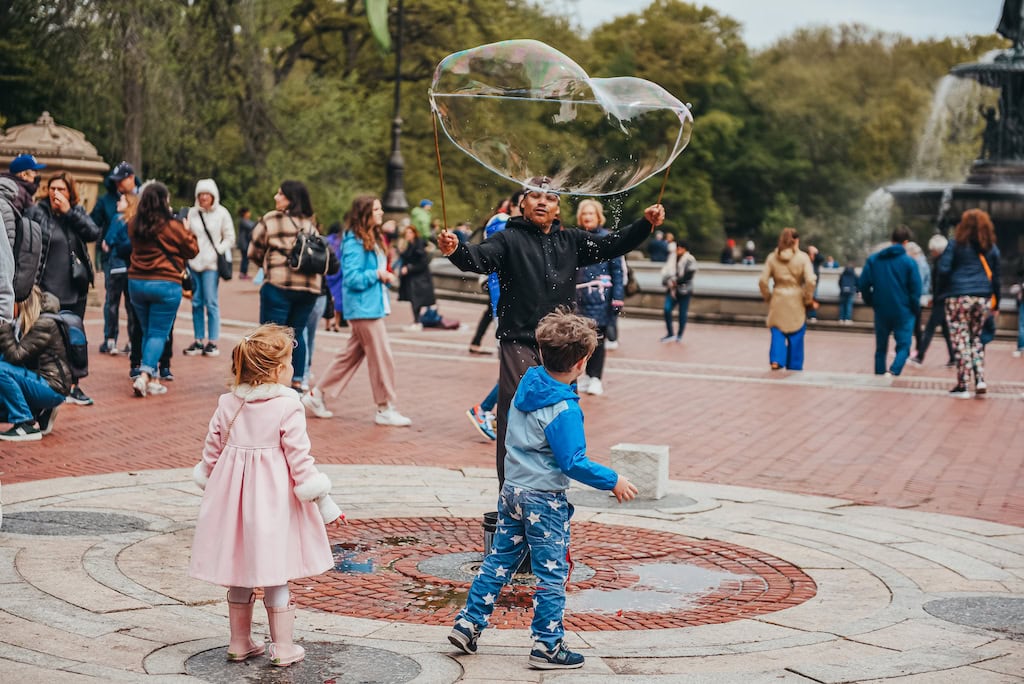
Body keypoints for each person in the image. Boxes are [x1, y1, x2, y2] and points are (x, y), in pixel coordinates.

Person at [438, 175, 664, 487]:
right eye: (535, 196)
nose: (542, 202)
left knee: (562, 416)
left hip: (560, 345)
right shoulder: (508, 239)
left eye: (550, 198)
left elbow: (611, 245)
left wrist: (645, 224)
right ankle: (511, 489)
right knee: (516, 414)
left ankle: (550, 487)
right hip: (520, 341)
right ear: (522, 204)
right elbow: (478, 258)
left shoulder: (570, 240)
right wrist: (455, 250)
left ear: (557, 208)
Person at [447, 309, 638, 669]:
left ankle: (468, 624)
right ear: (582, 363)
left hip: (513, 491)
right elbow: (573, 461)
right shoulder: (563, 407)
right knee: (551, 573)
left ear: (542, 351)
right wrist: (613, 480)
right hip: (544, 500)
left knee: (499, 561)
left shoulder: (528, 382)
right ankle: (547, 645)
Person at [189, 323, 343, 668]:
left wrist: (211, 482)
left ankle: (239, 641)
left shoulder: (228, 402)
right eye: (288, 362)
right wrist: (323, 501)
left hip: (233, 500)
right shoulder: (288, 406)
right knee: (275, 570)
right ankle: (283, 647)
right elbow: (300, 460)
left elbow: (212, 450)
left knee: (240, 570)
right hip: (273, 502)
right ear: (276, 369)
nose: (291, 368)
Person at [301, 196, 411, 427]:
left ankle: (316, 396)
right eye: (377, 209)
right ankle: (384, 408)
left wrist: (382, 275)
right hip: (363, 310)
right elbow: (351, 279)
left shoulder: (371, 238)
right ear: (365, 213)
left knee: (349, 357)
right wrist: (378, 275)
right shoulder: (354, 241)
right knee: (382, 359)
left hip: (370, 307)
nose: (382, 213)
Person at [31, 172, 100, 406]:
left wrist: (69, 212)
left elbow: (93, 233)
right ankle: (49, 383)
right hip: (47, 287)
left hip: (75, 287)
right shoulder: (40, 211)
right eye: (52, 188)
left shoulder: (76, 212)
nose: (56, 193)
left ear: (70, 192)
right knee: (47, 338)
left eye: (61, 189)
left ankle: (74, 385)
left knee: (75, 338)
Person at [248, 180, 323, 390]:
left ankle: (266, 379)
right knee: (297, 334)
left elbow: (253, 251)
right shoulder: (310, 225)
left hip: (279, 284)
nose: (276, 197)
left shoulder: (271, 219)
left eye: (280, 194)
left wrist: (268, 265)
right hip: (309, 289)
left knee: (271, 334)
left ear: (290, 198)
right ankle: (297, 380)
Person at [127, 182, 199, 397]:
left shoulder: (133, 224)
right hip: (166, 283)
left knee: (149, 330)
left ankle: (153, 378)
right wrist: (186, 229)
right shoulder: (172, 226)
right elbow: (192, 250)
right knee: (159, 333)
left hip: (137, 282)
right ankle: (145, 375)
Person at [938, 209, 1000, 398]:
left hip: (958, 296)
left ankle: (963, 385)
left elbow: (943, 269)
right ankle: (980, 379)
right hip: (982, 297)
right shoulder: (991, 247)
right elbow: (996, 277)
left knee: (960, 340)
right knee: (976, 339)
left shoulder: (955, 245)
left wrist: (945, 289)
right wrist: (996, 303)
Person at [0, 287, 71, 441]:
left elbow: (16, 355)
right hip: (41, 380)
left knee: (0, 370)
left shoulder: (45, 323)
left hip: (53, 386)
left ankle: (24, 423)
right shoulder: (25, 321)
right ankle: (41, 411)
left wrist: (2, 325)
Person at [858, 225, 922, 377]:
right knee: (904, 346)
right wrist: (914, 308)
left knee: (880, 348)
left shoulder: (874, 260)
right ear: (905, 242)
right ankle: (894, 371)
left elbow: (863, 284)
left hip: (881, 308)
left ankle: (879, 374)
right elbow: (915, 289)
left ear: (891, 240)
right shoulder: (909, 262)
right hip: (904, 309)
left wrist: (871, 301)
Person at [574, 199, 623, 396]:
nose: (587, 217)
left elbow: (618, 270)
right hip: (579, 296)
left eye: (591, 214)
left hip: (601, 297)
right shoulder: (576, 237)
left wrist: (617, 297)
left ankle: (596, 377)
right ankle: (585, 375)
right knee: (580, 339)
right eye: (584, 213)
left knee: (598, 338)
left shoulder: (608, 238)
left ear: (598, 216)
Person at [184, 179, 234, 358]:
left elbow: (230, 237)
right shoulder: (192, 213)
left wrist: (217, 250)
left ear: (213, 196)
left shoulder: (222, 213)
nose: (204, 197)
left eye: (207, 194)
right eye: (201, 194)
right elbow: (187, 235)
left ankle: (212, 341)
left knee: (211, 302)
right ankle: (198, 339)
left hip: (211, 265)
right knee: (196, 302)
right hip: (194, 262)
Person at [92, 161, 137, 354]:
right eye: (115, 180)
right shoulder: (107, 201)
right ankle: (110, 338)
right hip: (113, 260)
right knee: (112, 301)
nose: (118, 184)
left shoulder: (143, 196)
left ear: (131, 178)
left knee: (132, 303)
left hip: (136, 261)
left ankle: (134, 340)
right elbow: (92, 224)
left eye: (121, 180)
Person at [758, 228, 816, 371]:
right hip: (796, 298)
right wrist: (808, 299)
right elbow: (810, 281)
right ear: (796, 241)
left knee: (777, 331)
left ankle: (776, 359)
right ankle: (794, 365)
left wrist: (768, 297)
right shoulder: (803, 258)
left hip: (778, 297)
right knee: (796, 333)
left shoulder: (772, 257)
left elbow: (763, 281)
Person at [910, 234, 955, 367]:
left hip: (941, 300)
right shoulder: (945, 261)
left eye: (933, 250)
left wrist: (934, 298)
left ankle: (920, 356)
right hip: (943, 299)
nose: (931, 252)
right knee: (946, 331)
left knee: (929, 329)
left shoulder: (941, 263)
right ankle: (953, 357)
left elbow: (940, 284)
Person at [397, 223, 437, 331]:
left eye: (410, 232)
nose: (407, 235)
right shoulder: (410, 244)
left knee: (416, 300)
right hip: (414, 278)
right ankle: (417, 321)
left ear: (414, 234)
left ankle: (418, 322)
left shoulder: (418, 245)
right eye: (406, 233)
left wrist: (409, 268)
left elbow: (422, 262)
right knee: (415, 300)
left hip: (420, 278)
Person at [661, 239, 697, 342]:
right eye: (677, 247)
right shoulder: (672, 258)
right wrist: (668, 281)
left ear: (685, 249)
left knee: (682, 313)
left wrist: (676, 281)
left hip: (684, 290)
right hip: (672, 289)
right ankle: (670, 333)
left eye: (681, 247)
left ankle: (680, 335)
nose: (678, 249)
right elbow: (666, 272)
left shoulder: (690, 259)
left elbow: (689, 275)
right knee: (667, 309)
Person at [324, 221, 346, 331]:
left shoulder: (327, 240)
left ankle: (327, 323)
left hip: (328, 272)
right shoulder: (343, 241)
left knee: (328, 299)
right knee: (338, 300)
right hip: (339, 273)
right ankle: (336, 323)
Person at [236, 207, 256, 279]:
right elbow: (251, 226)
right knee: (245, 258)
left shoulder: (245, 220)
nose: (249, 214)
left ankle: (244, 273)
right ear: (245, 213)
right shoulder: (243, 221)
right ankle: (242, 273)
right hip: (244, 243)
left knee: (245, 259)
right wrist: (259, 222)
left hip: (246, 243)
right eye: (248, 212)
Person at [806, 244, 824, 321]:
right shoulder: (805, 258)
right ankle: (806, 315)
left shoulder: (816, 260)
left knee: (813, 298)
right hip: (806, 282)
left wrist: (816, 252)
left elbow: (822, 258)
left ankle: (812, 315)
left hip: (814, 282)